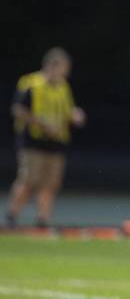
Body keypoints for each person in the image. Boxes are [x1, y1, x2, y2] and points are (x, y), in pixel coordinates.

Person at [6, 47, 86, 228]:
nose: (66, 72)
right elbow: (18, 110)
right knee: (28, 179)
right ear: (51, 65)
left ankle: (42, 219)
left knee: (50, 184)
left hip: (57, 143)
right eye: (63, 67)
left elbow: (67, 110)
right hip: (33, 141)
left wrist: (75, 115)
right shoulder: (31, 84)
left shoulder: (63, 87)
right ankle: (12, 215)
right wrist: (42, 124)